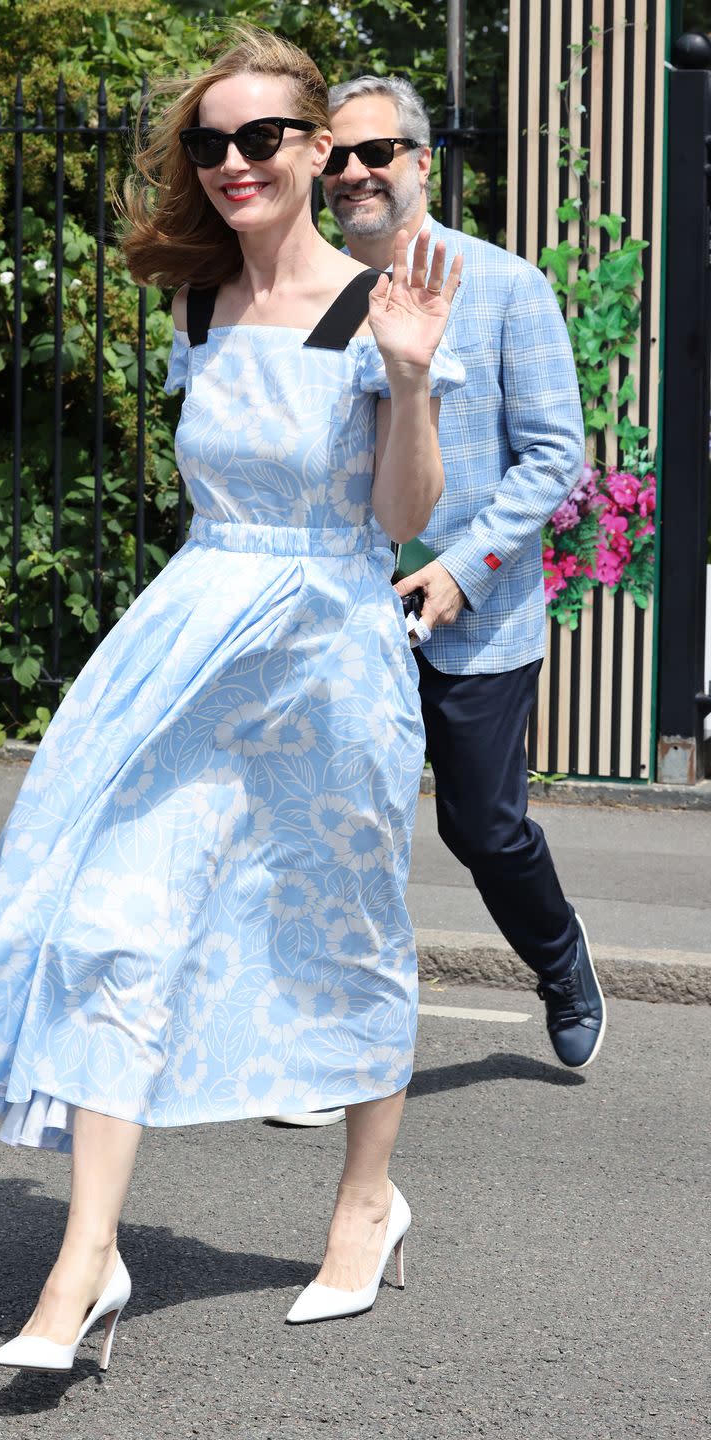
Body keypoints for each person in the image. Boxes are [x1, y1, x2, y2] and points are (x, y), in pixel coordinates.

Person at [0, 27, 464, 1368]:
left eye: (262, 138)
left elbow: (402, 519)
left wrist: (417, 384)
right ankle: (84, 1264)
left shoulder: (374, 307)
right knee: (114, 923)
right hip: (194, 642)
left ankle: (367, 1203)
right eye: (210, 143)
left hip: (326, 654)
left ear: (319, 148)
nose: (233, 164)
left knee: (349, 927)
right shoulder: (199, 309)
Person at [272, 74, 602, 1133]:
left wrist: (463, 566)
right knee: (343, 831)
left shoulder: (504, 288)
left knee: (482, 826)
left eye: (380, 154)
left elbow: (556, 455)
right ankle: (341, 1049)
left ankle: (559, 960)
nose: (358, 173)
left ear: (422, 163)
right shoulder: (317, 300)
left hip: (478, 616)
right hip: (344, 615)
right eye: (340, 157)